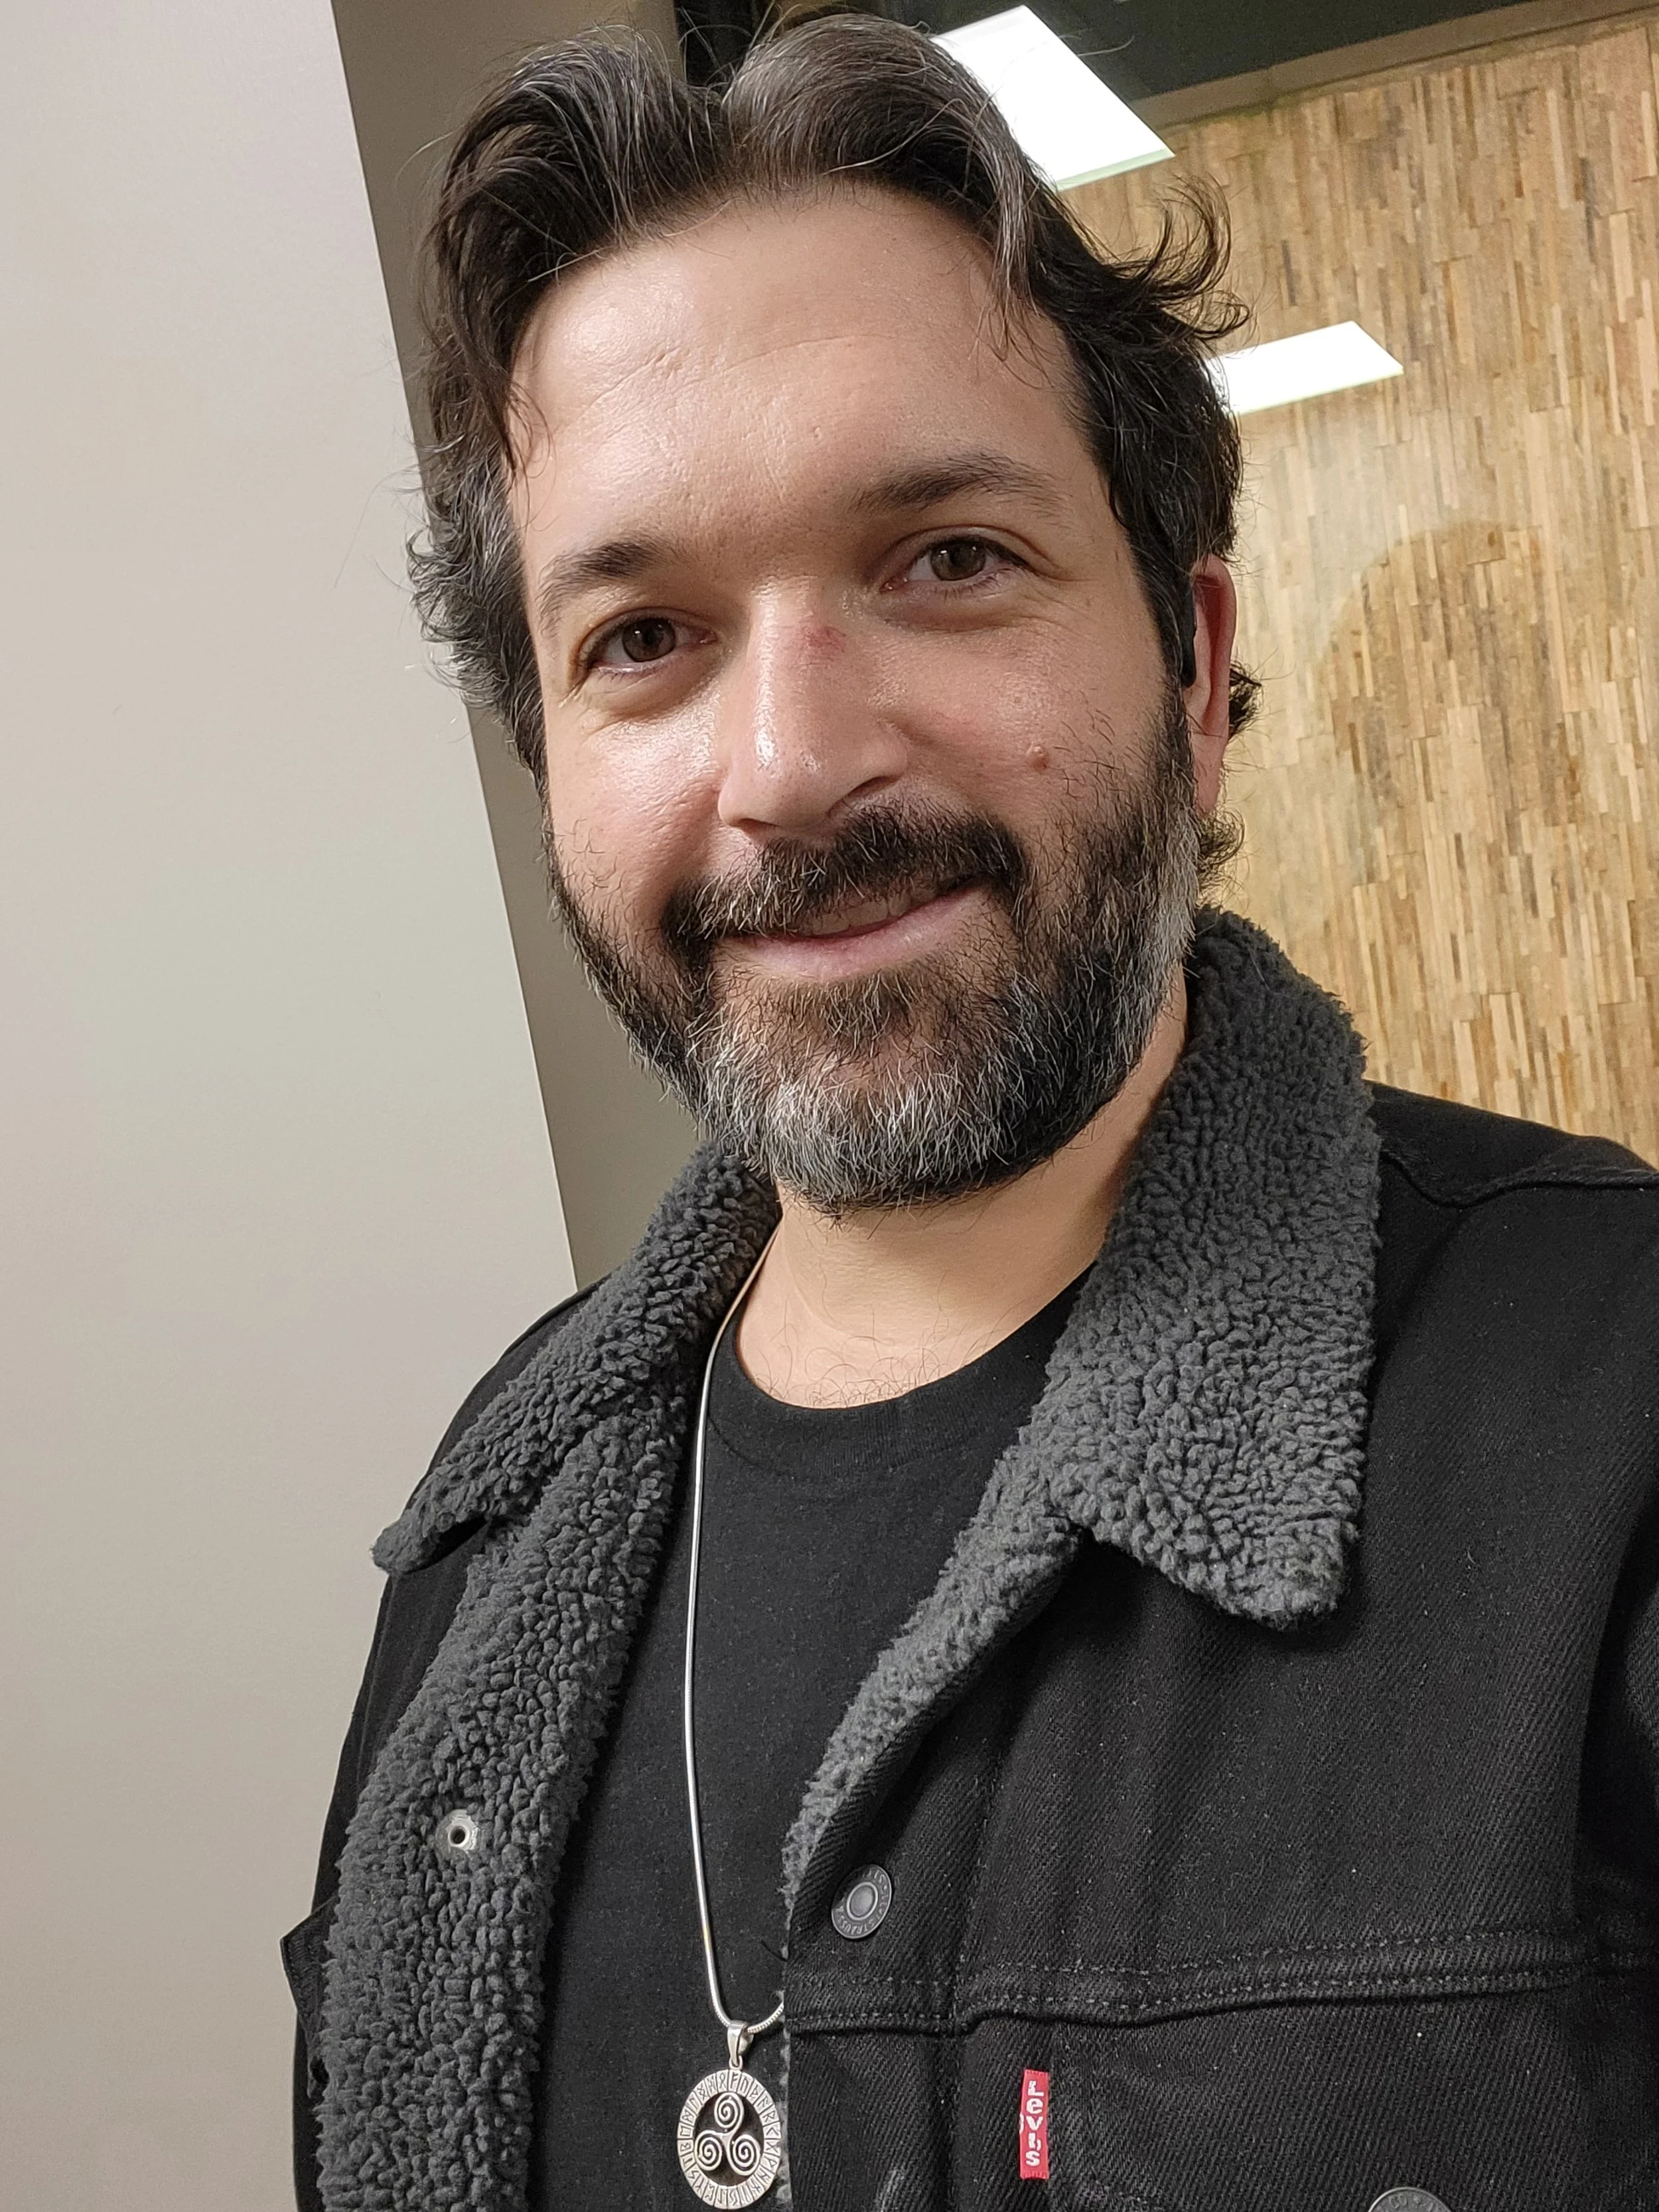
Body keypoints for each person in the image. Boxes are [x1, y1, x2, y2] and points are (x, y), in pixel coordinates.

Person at [287, 19, 1659, 2212]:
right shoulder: (484, 1539)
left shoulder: (1611, 1408)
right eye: (642, 635)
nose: (789, 766)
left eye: (943, 558)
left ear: (1191, 671)